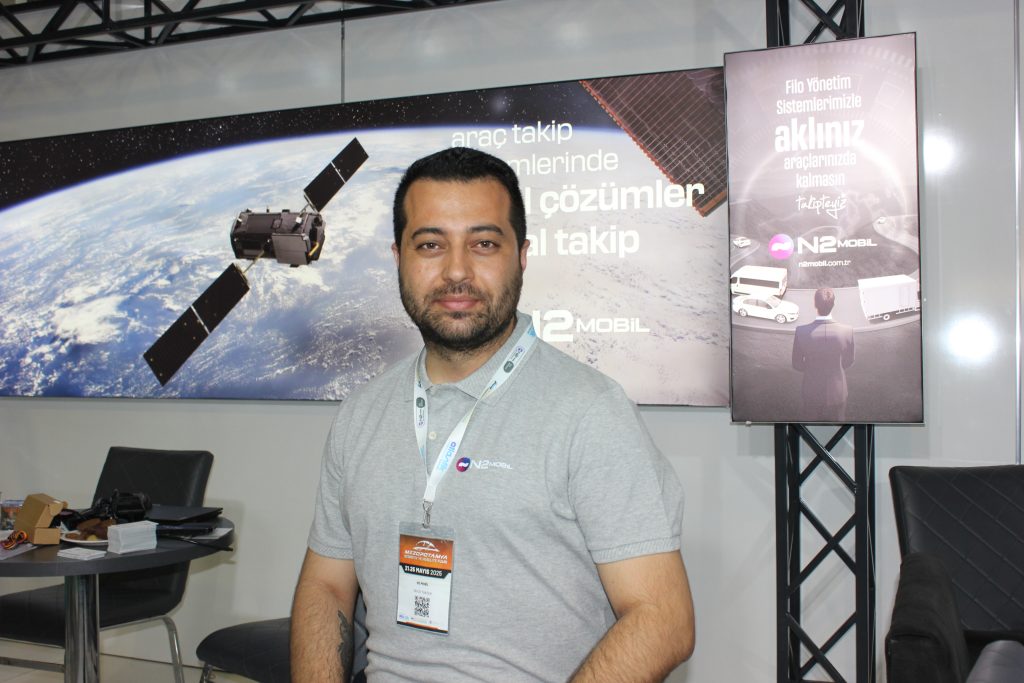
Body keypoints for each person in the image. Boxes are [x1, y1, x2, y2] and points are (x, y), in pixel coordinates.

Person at [291, 146, 695, 682]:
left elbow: (662, 619)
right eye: (430, 244)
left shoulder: (590, 413)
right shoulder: (360, 415)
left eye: (483, 243)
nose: (456, 271)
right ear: (398, 257)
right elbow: (325, 586)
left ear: (521, 256)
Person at [791, 287, 856, 422]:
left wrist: (812, 368)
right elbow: (848, 361)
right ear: (833, 304)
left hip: (811, 391)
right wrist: (835, 367)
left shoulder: (801, 331)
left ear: (815, 304)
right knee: (839, 427)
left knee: (809, 428)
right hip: (837, 392)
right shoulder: (847, 331)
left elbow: (797, 364)